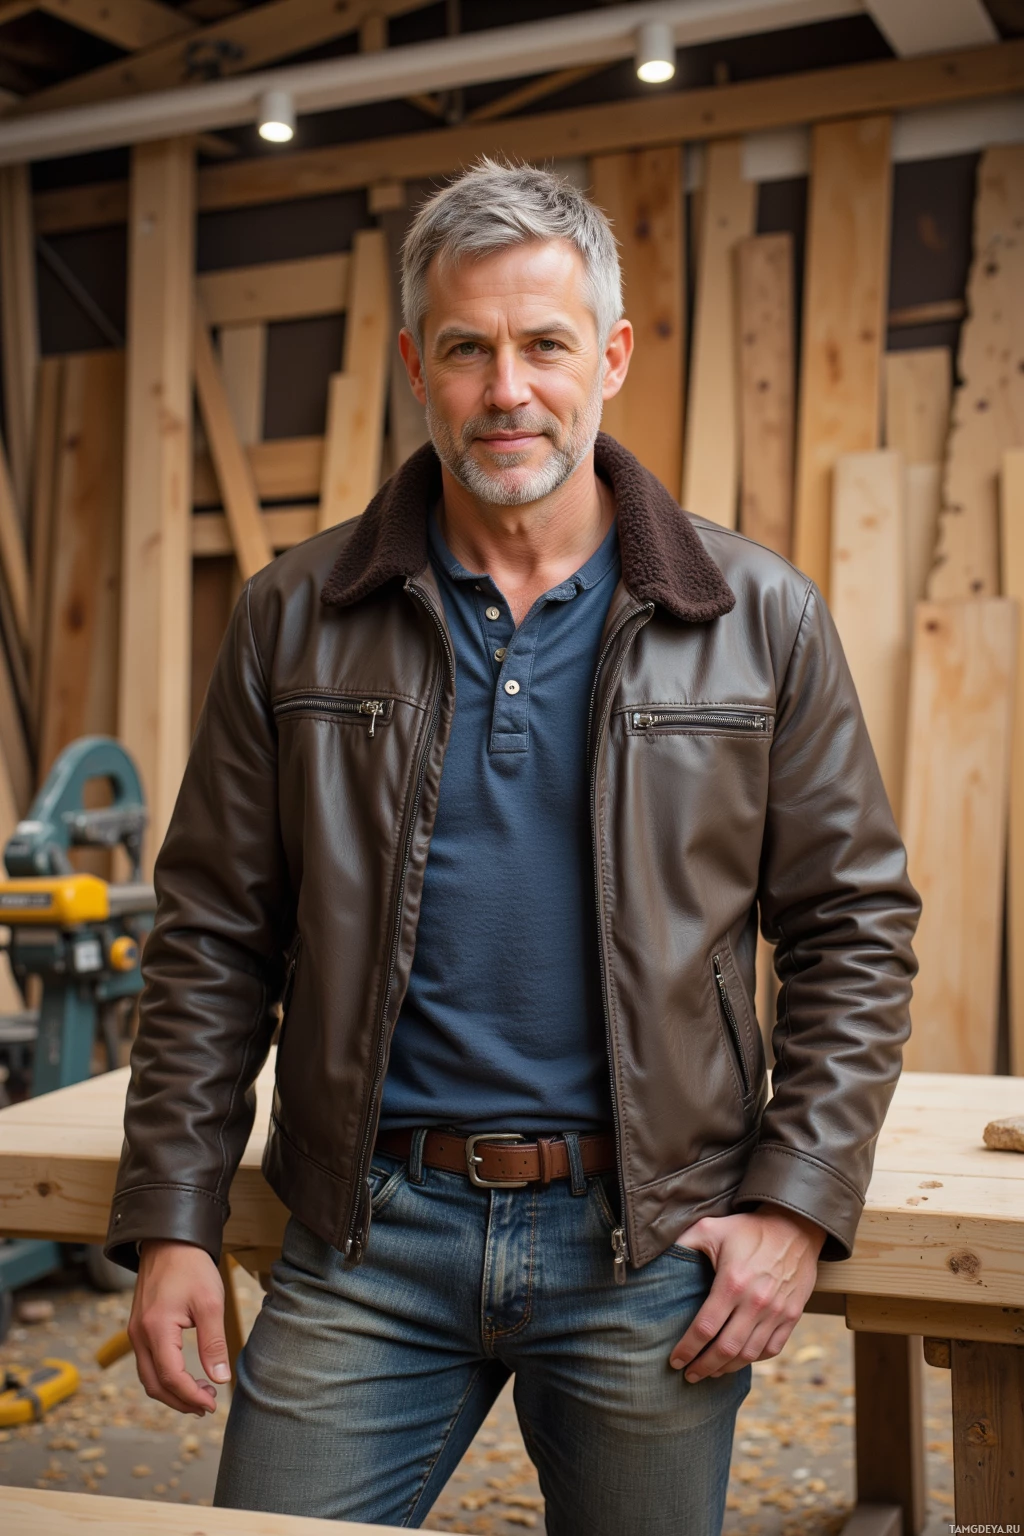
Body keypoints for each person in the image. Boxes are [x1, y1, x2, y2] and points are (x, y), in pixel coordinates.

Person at [104, 158, 920, 1535]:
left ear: (607, 355)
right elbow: (214, 938)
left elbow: (854, 926)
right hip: (368, 1239)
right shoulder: (293, 616)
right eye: (470, 350)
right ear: (416, 365)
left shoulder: (758, 617)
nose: (507, 391)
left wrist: (794, 1203)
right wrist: (174, 1217)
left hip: (648, 1243)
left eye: (544, 345)